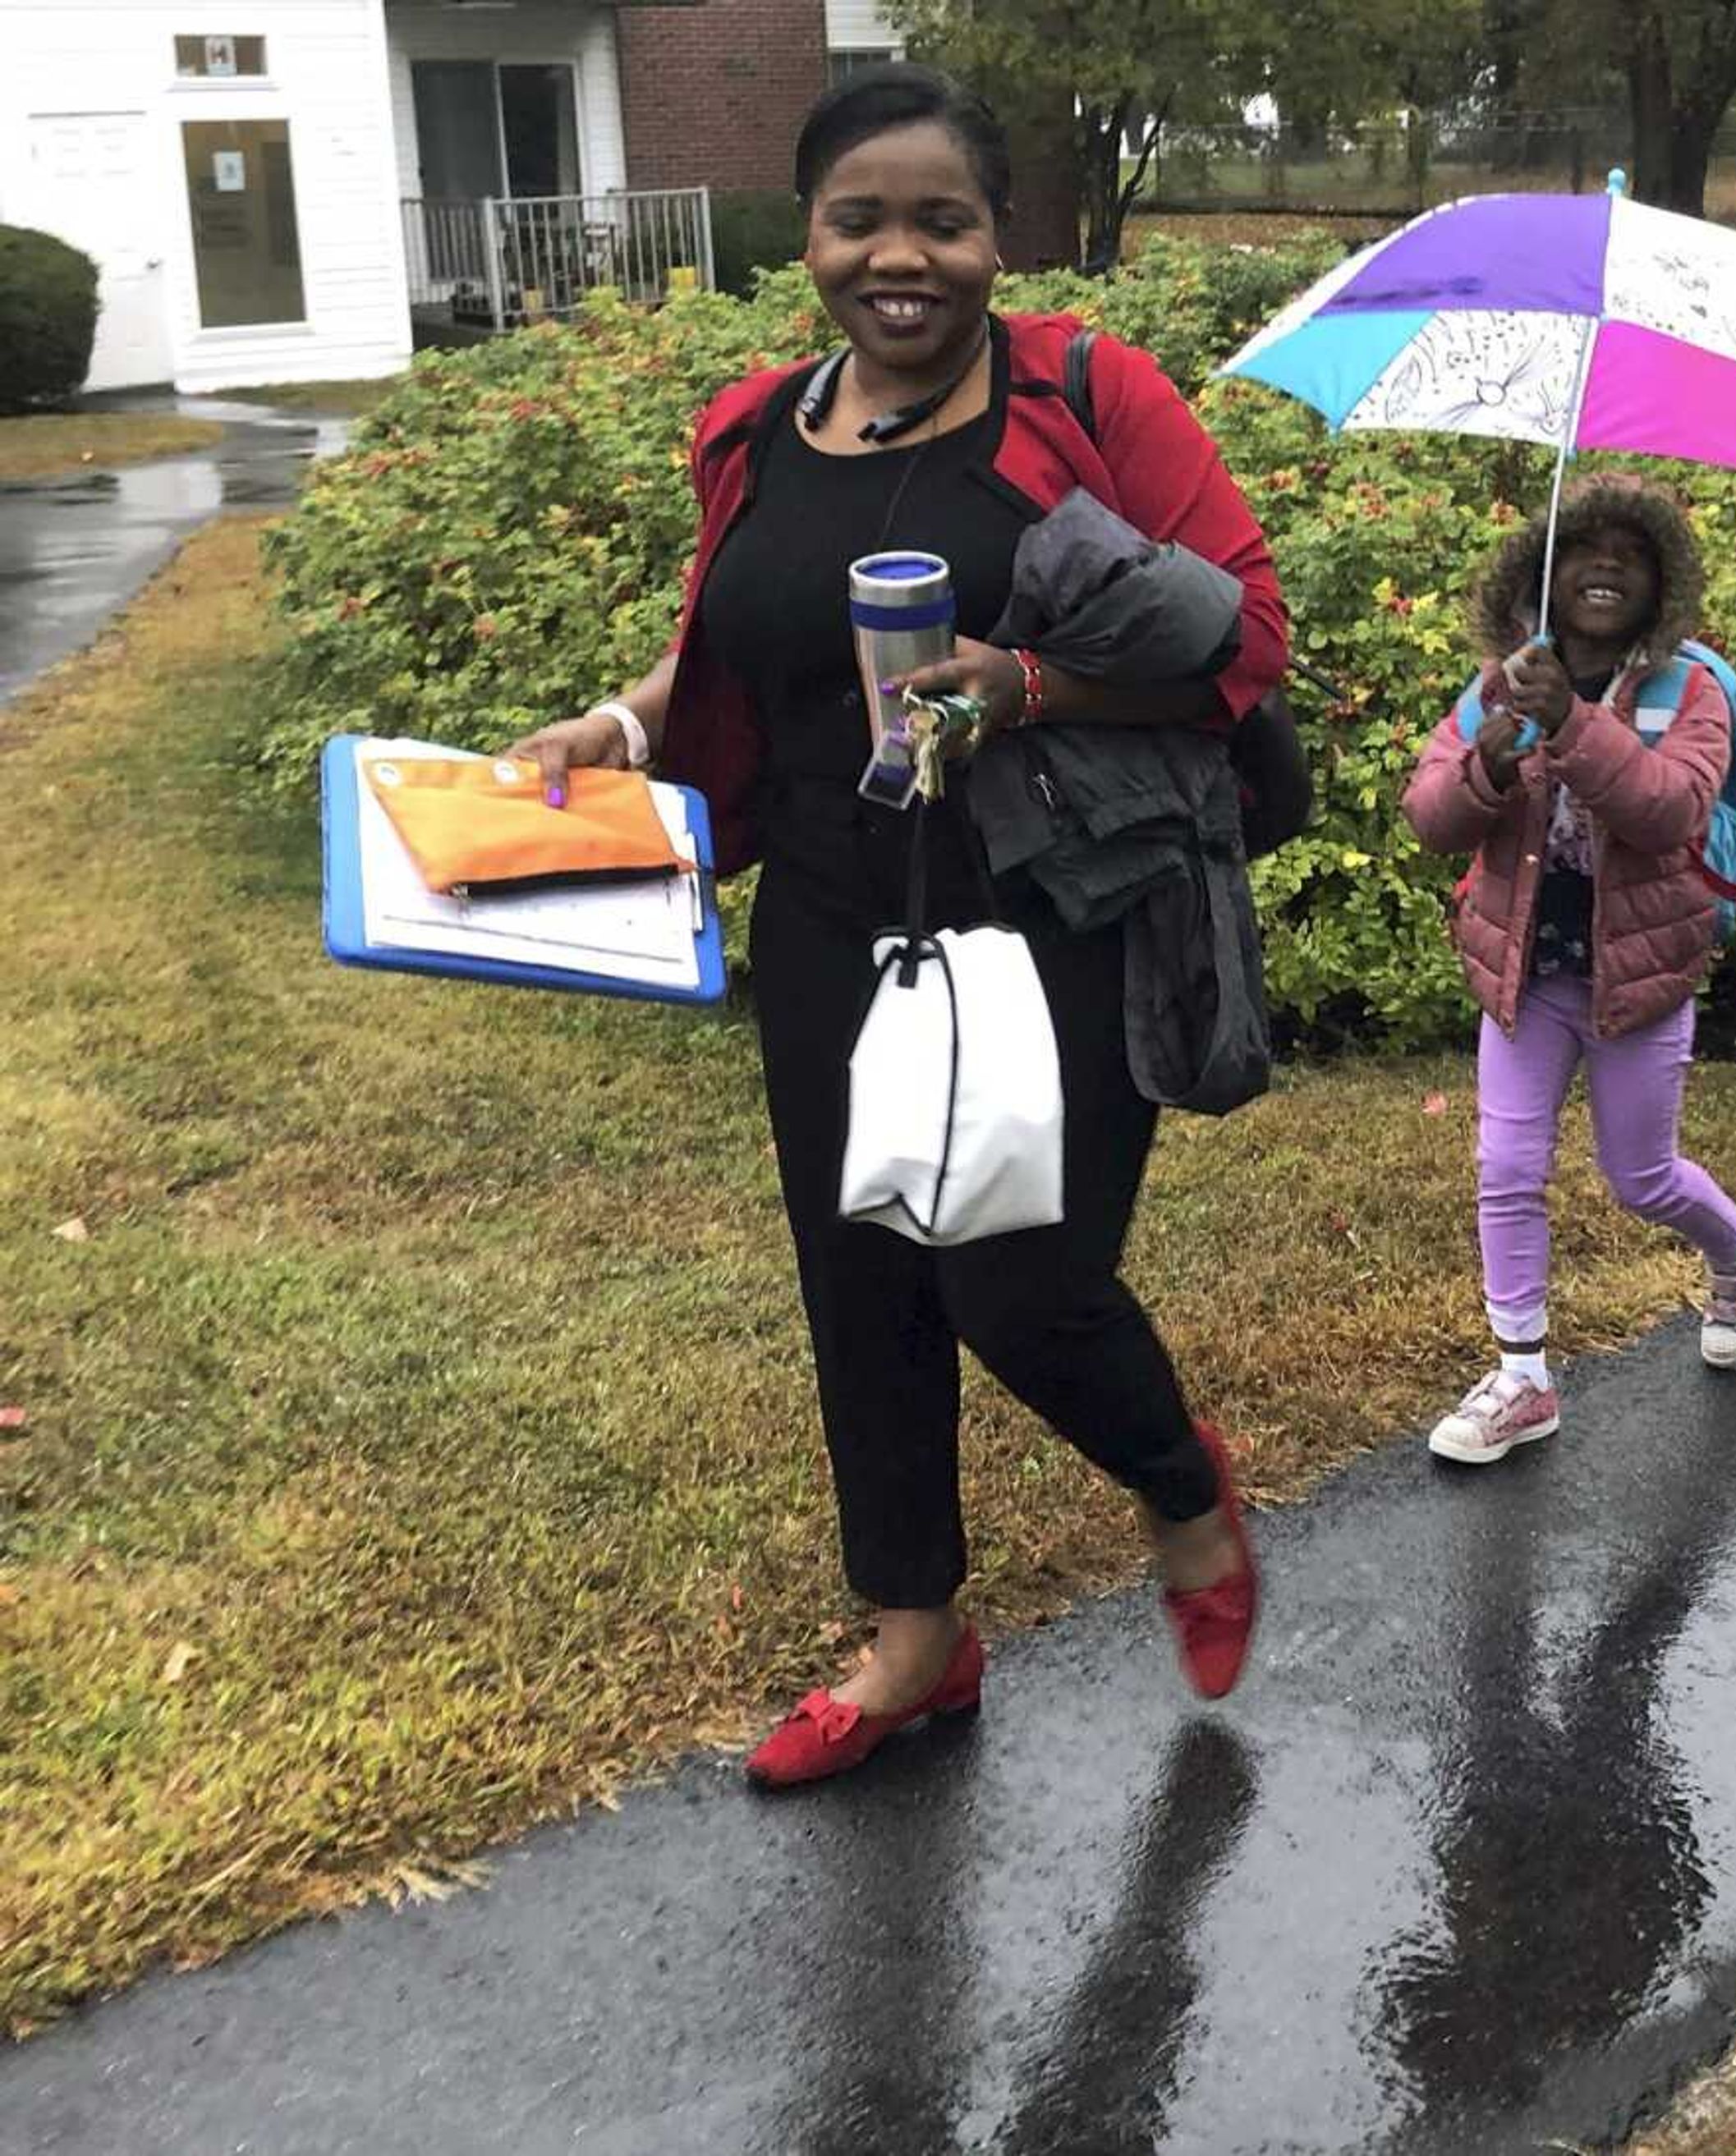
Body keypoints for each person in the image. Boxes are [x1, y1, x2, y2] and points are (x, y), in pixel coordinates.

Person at [507, 66, 1284, 1787]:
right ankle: (915, 1635)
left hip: (1051, 915)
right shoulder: (755, 427)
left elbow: (1248, 637)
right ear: (811, 234)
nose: (900, 255)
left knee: (1018, 1278)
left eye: (943, 218)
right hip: (831, 911)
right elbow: (730, 657)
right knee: (861, 1276)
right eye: (861, 218)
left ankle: (1182, 1487)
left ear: (999, 235)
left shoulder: (1090, 394)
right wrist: (620, 732)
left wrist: (1028, 680)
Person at [1400, 477, 1736, 1466]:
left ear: (1662, 584)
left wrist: (1571, 722)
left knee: (1640, 1175)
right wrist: (1486, 759)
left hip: (1640, 980)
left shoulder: (1692, 690)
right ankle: (1522, 1376)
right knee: (1508, 1169)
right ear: (1542, 574)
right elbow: (1433, 817)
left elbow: (1668, 812)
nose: (1604, 566)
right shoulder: (1502, 681)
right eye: (1582, 549)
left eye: (1630, 553)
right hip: (1527, 976)